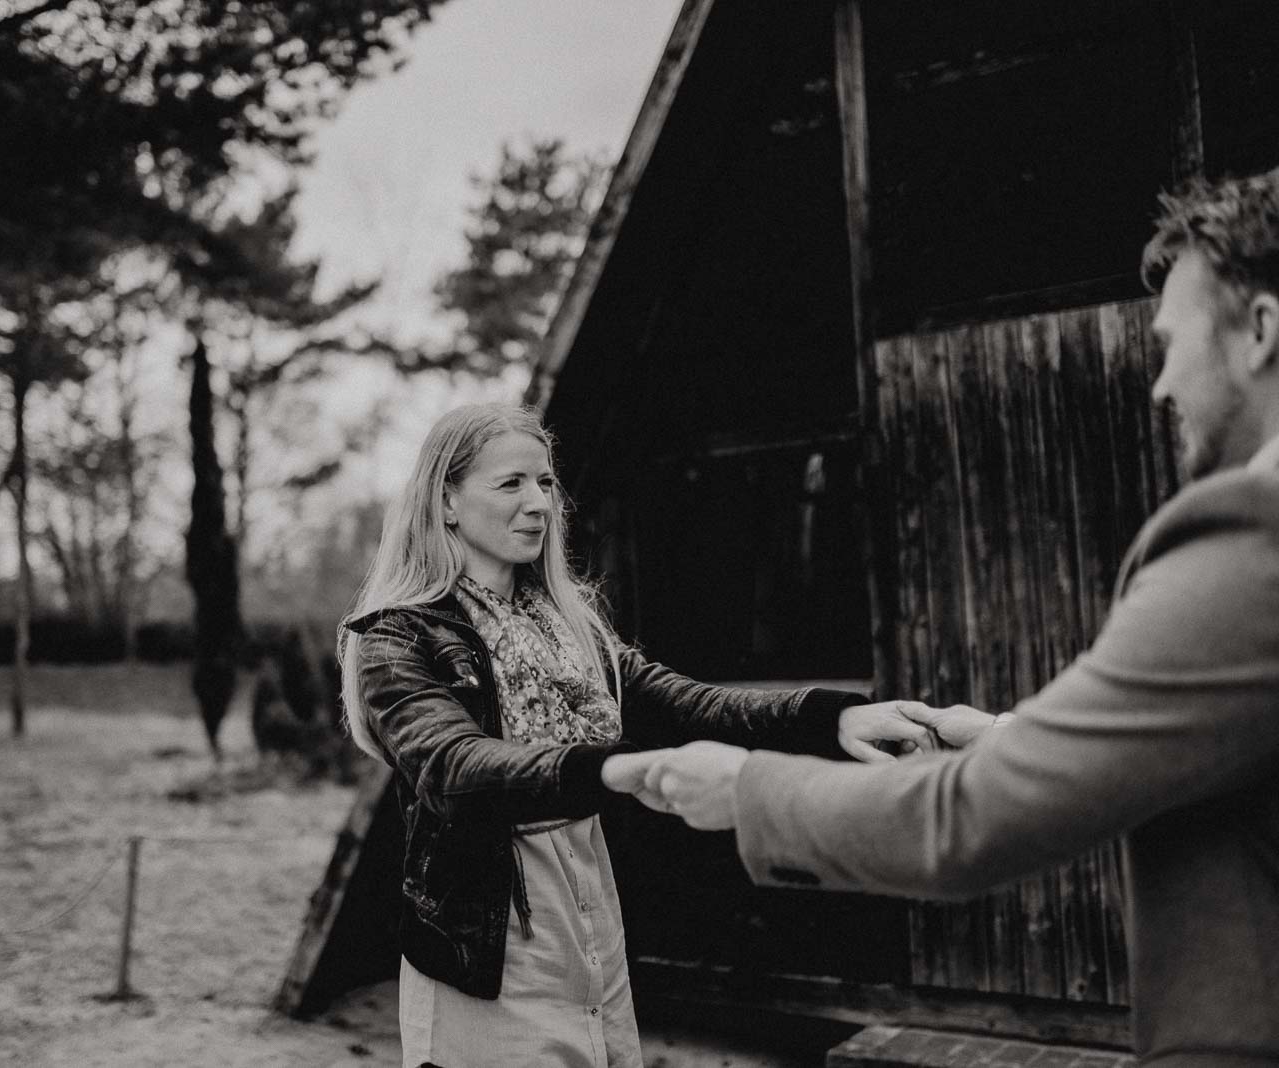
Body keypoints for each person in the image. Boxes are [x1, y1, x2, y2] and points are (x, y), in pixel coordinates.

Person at [608, 169, 1279, 1066]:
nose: (1159, 386)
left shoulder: (1251, 539)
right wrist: (1002, 731)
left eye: (1170, 344)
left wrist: (748, 791)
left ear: (1263, 331)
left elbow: (969, 825)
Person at [338, 403, 943, 1068]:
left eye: (545, 483)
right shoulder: (398, 639)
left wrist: (834, 716)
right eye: (510, 484)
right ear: (446, 501)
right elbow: (454, 767)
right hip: (483, 941)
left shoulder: (573, 629)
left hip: (591, 914)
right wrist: (612, 769)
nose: (538, 502)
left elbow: (688, 703)